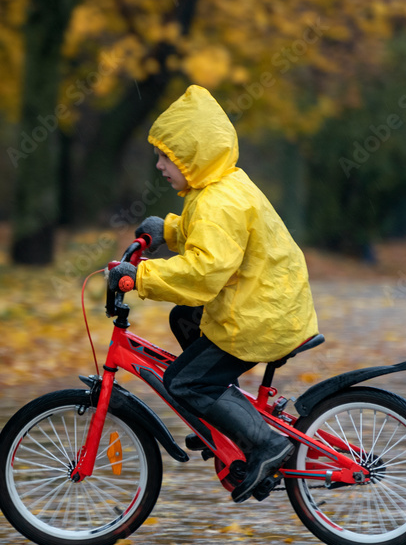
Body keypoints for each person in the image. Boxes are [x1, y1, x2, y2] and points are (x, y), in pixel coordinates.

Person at [107, 85, 319, 503]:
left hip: (259, 315)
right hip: (266, 303)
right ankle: (226, 418)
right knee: (183, 318)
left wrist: (141, 277)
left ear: (194, 157)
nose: (159, 164)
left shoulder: (217, 203)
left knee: (184, 383)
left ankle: (266, 444)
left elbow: (204, 273)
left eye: (167, 156)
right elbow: (204, 236)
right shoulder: (219, 188)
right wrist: (167, 231)